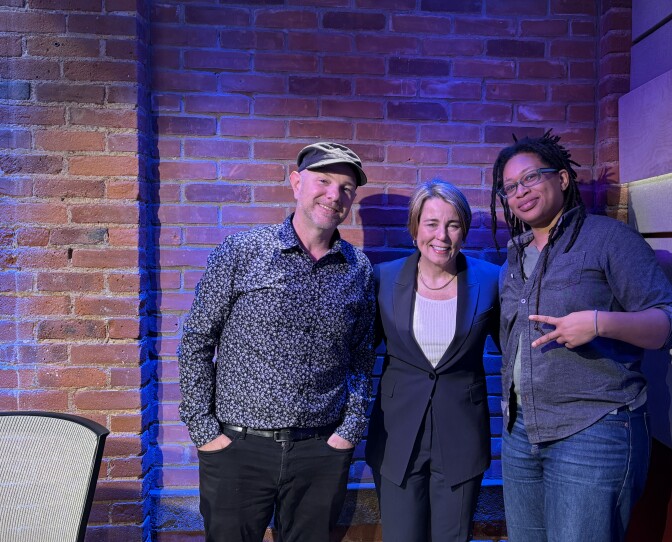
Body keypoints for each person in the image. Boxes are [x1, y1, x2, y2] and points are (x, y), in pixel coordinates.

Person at [489, 132, 672, 542]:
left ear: (562, 178)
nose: (520, 192)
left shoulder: (608, 240)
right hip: (521, 432)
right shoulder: (513, 257)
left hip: (592, 430)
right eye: (510, 187)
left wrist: (599, 322)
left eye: (530, 178)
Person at [178, 142, 376, 542]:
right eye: (324, 181)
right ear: (296, 183)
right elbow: (197, 340)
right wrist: (204, 430)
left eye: (346, 188)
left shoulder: (358, 268)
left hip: (321, 451)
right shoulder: (243, 251)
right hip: (238, 448)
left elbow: (362, 356)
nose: (334, 195)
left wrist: (350, 430)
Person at [365, 180, 500, 542]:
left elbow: (513, 351)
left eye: (453, 225)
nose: (442, 235)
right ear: (414, 229)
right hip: (397, 436)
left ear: (464, 231)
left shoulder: (490, 280)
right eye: (431, 224)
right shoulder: (384, 278)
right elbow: (360, 352)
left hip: (461, 437)